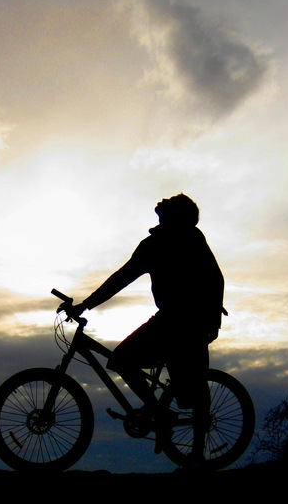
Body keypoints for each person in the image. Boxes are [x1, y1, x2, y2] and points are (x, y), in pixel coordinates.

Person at [64, 193, 225, 467]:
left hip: (183, 320)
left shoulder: (172, 241)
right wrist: (87, 304)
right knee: (191, 386)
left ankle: (173, 429)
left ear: (174, 214)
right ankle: (171, 426)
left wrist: (86, 305)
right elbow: (122, 278)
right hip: (183, 319)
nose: (162, 200)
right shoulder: (168, 242)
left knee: (187, 385)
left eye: (169, 201)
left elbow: (213, 277)